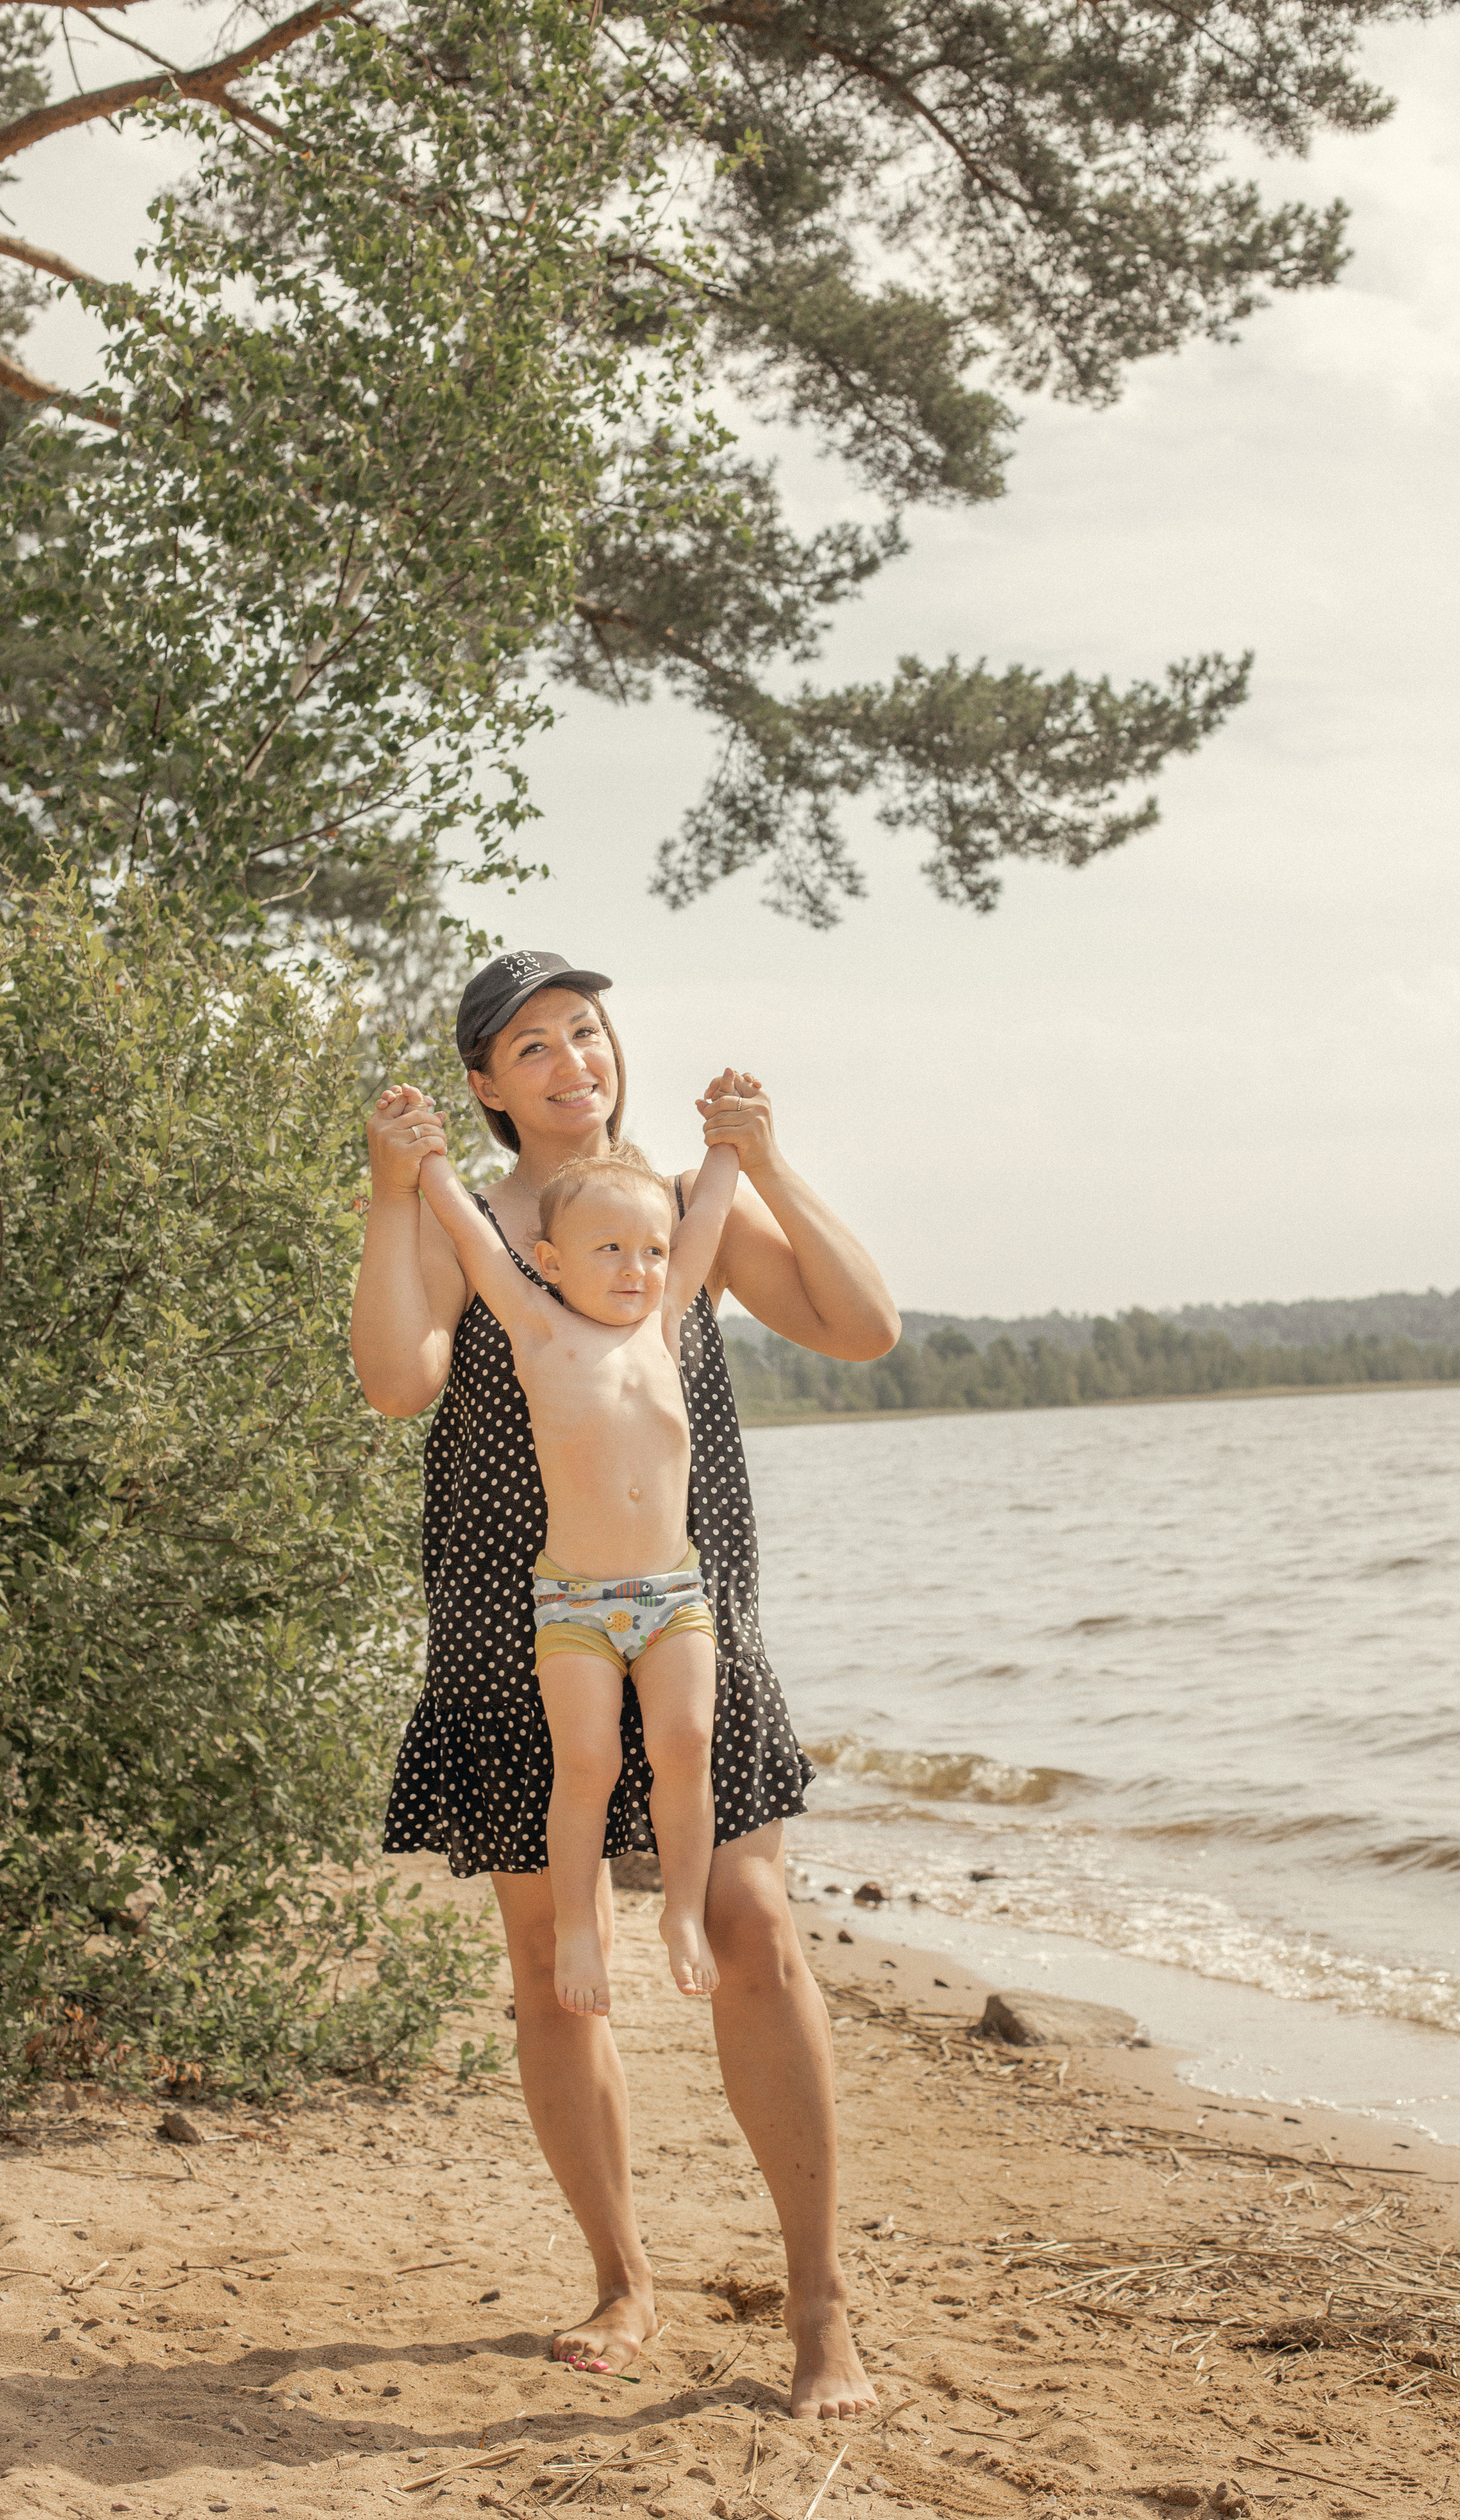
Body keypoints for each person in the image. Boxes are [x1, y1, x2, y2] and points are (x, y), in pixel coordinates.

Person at [349, 950, 899, 2420]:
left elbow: (861, 1328)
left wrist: (760, 1157)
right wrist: (391, 1192)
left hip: (687, 1606)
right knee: (551, 1968)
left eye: (583, 1034)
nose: (567, 1061)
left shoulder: (666, 1215)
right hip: (501, 1612)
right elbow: (399, 1379)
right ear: (484, 1084)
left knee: (753, 1924)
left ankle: (818, 2302)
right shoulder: (467, 1220)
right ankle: (621, 2274)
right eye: (528, 1046)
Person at [411, 1117, 742, 2016]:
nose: (636, 1269)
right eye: (609, 1250)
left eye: (649, 1250)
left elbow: (707, 1215)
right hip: (573, 1604)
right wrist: (427, 1163)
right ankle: (579, 1925)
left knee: (687, 1745)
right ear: (551, 1264)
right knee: (586, 1762)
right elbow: (479, 1245)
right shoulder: (537, 1328)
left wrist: (730, 1143)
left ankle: (680, 1911)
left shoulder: (667, 1321)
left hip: (674, 1592)